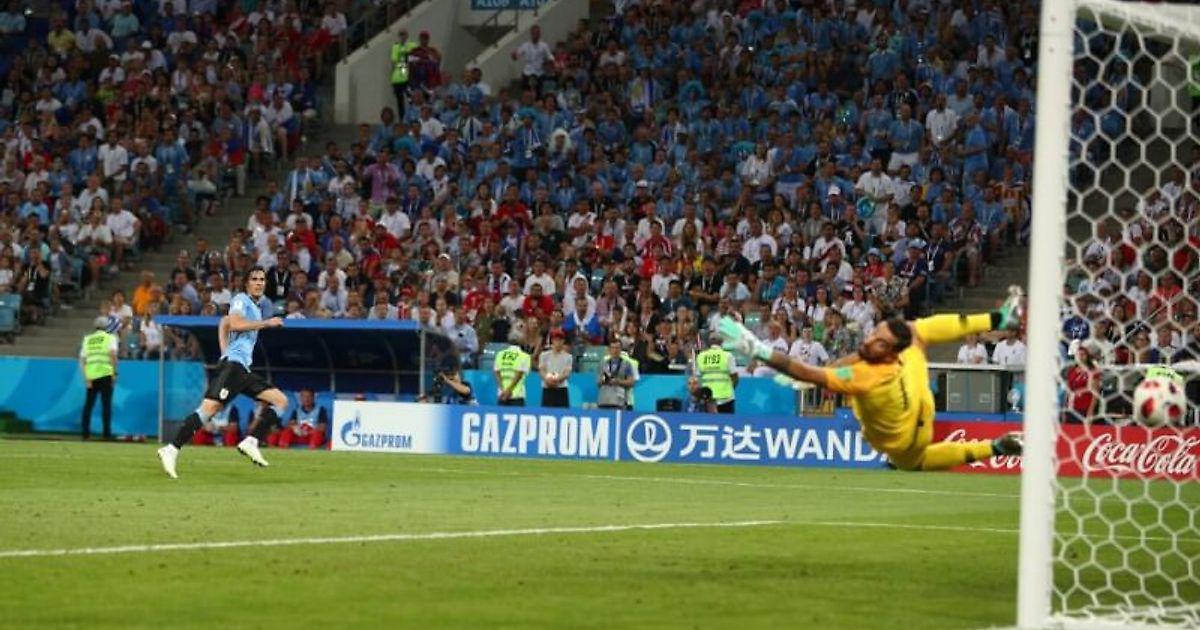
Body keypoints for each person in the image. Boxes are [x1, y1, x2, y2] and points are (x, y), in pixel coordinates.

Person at [718, 287, 1027, 471]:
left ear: (890, 353)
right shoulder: (897, 352)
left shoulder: (864, 377)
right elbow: (859, 355)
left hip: (905, 441)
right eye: (875, 332)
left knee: (912, 463)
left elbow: (806, 371)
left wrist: (758, 349)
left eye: (879, 340)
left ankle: (995, 447)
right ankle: (999, 319)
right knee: (917, 330)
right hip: (917, 400)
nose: (871, 338)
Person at [157, 267, 288, 478]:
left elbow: (224, 322)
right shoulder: (241, 300)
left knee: (280, 401)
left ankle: (251, 441)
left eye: (262, 279)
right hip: (234, 366)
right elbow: (234, 323)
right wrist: (266, 323)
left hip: (242, 368)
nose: (259, 283)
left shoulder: (255, 307)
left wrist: (224, 351)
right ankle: (171, 449)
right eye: (254, 279)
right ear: (247, 283)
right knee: (208, 409)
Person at [79, 315, 118, 441]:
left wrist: (86, 378)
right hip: (106, 374)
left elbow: (82, 360)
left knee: (88, 406)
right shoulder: (110, 338)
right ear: (107, 326)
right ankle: (106, 434)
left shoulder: (87, 339)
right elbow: (112, 355)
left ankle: (85, 434)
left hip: (91, 376)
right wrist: (114, 373)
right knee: (106, 406)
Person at [695, 331, 738, 413]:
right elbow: (735, 377)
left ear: (709, 342)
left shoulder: (701, 356)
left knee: (709, 421)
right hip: (726, 397)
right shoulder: (727, 356)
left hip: (708, 397)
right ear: (722, 342)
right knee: (727, 420)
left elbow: (698, 378)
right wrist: (730, 388)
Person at [597, 339, 635, 409]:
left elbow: (631, 382)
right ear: (609, 350)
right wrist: (604, 380)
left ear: (621, 349)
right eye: (613, 348)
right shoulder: (603, 364)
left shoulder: (627, 364)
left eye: (617, 348)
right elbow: (598, 382)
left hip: (619, 401)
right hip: (604, 400)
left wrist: (618, 381)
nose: (615, 350)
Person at [538, 329, 573, 408]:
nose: (558, 342)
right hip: (547, 387)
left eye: (560, 339)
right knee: (546, 412)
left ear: (563, 341)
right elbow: (541, 370)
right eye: (556, 339)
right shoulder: (544, 355)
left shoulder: (568, 357)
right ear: (552, 341)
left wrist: (556, 380)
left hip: (561, 388)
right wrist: (547, 380)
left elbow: (567, 373)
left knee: (562, 412)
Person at [390, 30, 418, 114]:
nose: (402, 37)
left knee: (411, 98)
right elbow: (394, 62)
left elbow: (416, 57)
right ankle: (402, 117)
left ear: (407, 35)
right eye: (401, 35)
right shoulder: (395, 47)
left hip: (409, 77)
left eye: (404, 34)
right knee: (400, 101)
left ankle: (413, 115)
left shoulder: (412, 45)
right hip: (398, 77)